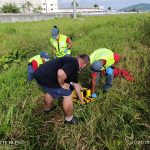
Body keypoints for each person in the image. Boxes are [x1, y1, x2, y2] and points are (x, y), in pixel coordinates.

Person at [34, 54, 90, 124]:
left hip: (39, 75)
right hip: (47, 78)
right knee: (68, 94)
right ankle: (69, 120)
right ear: (84, 65)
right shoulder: (74, 65)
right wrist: (62, 84)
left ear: (78, 57)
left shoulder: (70, 59)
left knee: (51, 91)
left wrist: (81, 100)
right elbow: (61, 73)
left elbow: (75, 84)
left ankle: (47, 109)